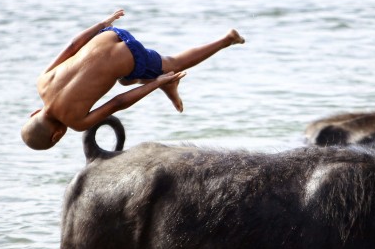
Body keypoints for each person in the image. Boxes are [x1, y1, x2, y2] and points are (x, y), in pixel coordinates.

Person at [21, 9, 245, 150]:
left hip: (130, 55)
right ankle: (163, 81)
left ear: (57, 135)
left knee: (173, 64)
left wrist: (158, 83)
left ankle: (227, 39)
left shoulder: (77, 122)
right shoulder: (42, 82)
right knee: (125, 80)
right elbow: (72, 46)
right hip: (110, 35)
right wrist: (102, 23)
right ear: (34, 113)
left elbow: (118, 103)